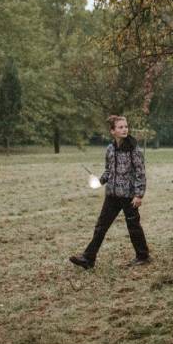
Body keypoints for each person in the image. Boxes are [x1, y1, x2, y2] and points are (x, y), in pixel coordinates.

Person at [69, 115, 150, 269]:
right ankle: (88, 258)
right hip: (112, 195)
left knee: (133, 226)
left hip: (128, 196)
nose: (124, 129)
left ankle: (143, 255)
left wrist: (139, 195)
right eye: (120, 127)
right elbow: (108, 171)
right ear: (112, 131)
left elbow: (140, 173)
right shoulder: (110, 149)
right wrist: (99, 181)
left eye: (126, 126)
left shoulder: (134, 149)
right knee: (101, 226)